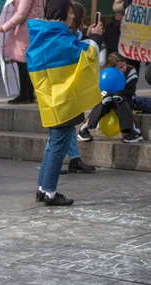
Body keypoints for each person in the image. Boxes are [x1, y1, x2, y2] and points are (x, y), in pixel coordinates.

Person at [30, 0, 103, 206]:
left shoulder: (46, 34)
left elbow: (72, 49)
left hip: (52, 100)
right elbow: (84, 55)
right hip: (63, 100)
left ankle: (43, 188)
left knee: (53, 145)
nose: (72, 16)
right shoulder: (59, 37)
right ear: (62, 13)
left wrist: (87, 36)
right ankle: (51, 193)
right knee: (58, 146)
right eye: (70, 12)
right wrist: (96, 37)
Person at [78, 53, 143, 144]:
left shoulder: (131, 71)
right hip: (110, 99)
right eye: (120, 67)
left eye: (124, 65)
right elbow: (99, 90)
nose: (123, 68)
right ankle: (84, 129)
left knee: (121, 101)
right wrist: (104, 95)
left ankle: (134, 133)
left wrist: (119, 94)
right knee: (103, 102)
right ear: (112, 68)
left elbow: (131, 91)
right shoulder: (105, 74)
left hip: (126, 99)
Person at [0, 0, 44, 104]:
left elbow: (21, 13)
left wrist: (4, 27)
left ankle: (25, 94)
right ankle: (29, 94)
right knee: (27, 63)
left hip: (24, 32)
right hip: (32, 29)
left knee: (23, 63)